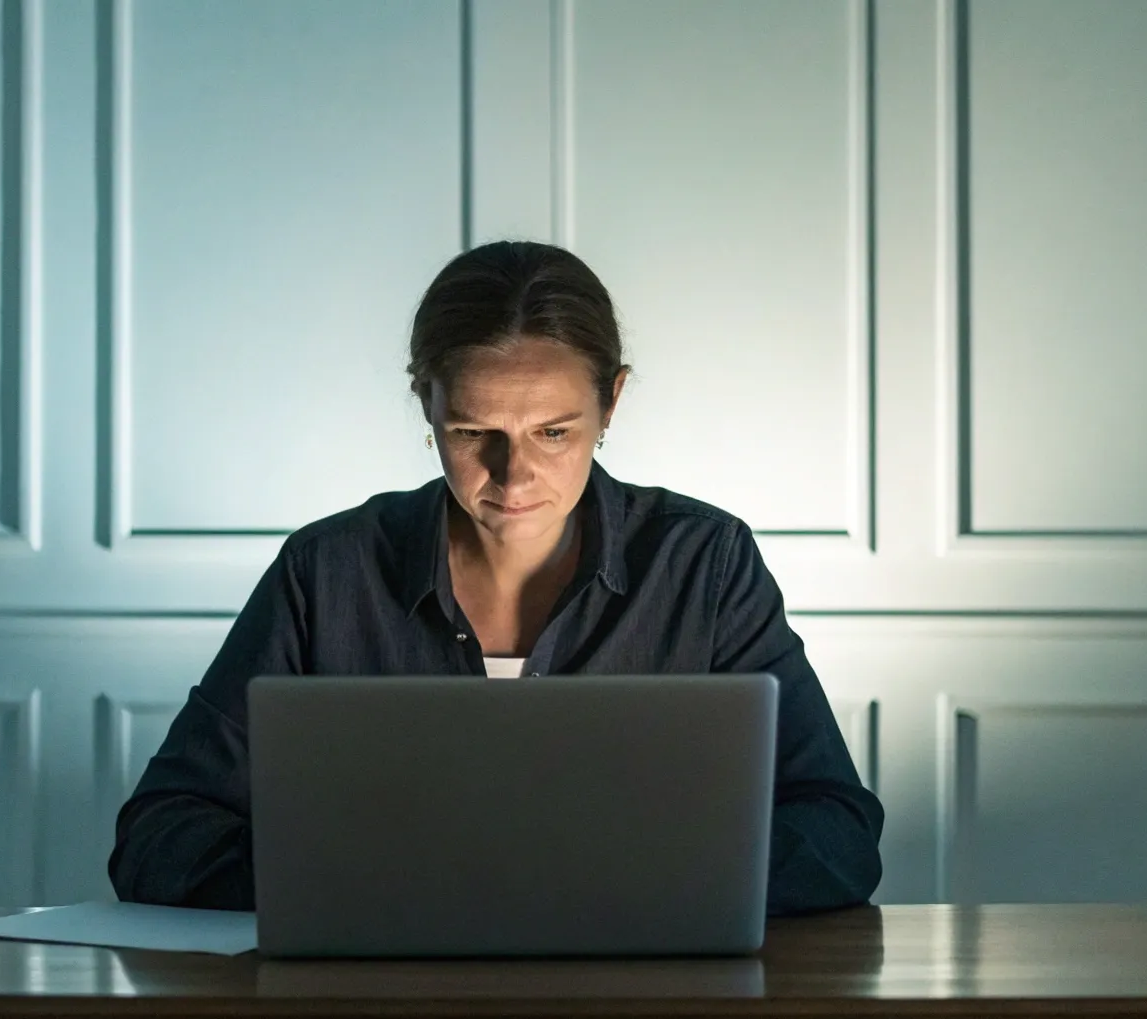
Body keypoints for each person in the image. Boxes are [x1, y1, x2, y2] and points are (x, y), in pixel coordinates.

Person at [110, 241, 884, 915]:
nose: (514, 477)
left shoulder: (703, 564)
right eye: (474, 433)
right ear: (427, 402)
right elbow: (159, 832)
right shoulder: (328, 572)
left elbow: (837, 832)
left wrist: (628, 886)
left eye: (554, 432)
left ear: (611, 402)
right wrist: (365, 887)